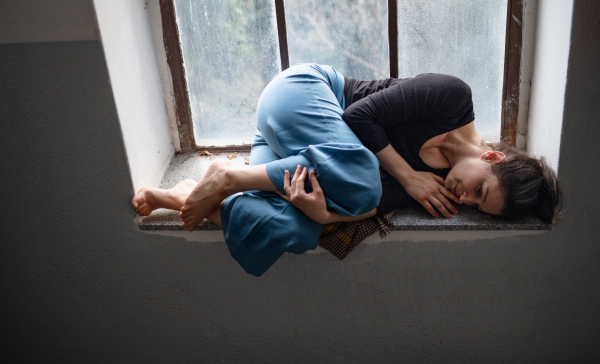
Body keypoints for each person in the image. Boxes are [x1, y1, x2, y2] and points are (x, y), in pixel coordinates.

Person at [132, 64, 560, 276]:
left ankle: (185, 193)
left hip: (284, 150)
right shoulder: (451, 97)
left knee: (296, 230)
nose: (464, 201)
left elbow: (368, 208)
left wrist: (324, 216)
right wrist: (407, 175)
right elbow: (358, 117)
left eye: (474, 207)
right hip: (300, 95)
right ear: (493, 158)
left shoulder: (443, 193)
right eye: (479, 192)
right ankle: (229, 177)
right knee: (362, 174)